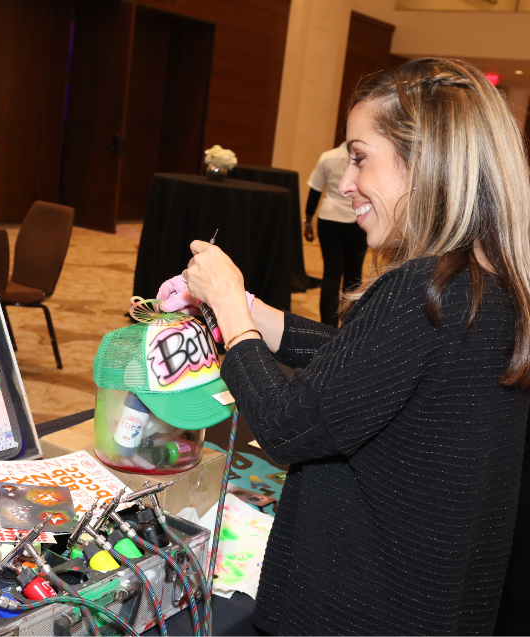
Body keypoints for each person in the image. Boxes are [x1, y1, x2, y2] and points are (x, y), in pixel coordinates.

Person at [157, 58, 530, 634]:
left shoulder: (421, 289)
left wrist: (232, 313)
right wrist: (259, 314)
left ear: (425, 159)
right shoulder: (488, 283)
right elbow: (368, 363)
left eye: (360, 157)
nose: (346, 182)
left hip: (358, 607)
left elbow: (289, 425)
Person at [305, 141, 369, 326]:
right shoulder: (365, 158)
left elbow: (315, 191)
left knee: (331, 274)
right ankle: (349, 325)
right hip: (358, 218)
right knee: (354, 273)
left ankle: (327, 326)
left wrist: (308, 221)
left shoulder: (328, 157)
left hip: (329, 218)